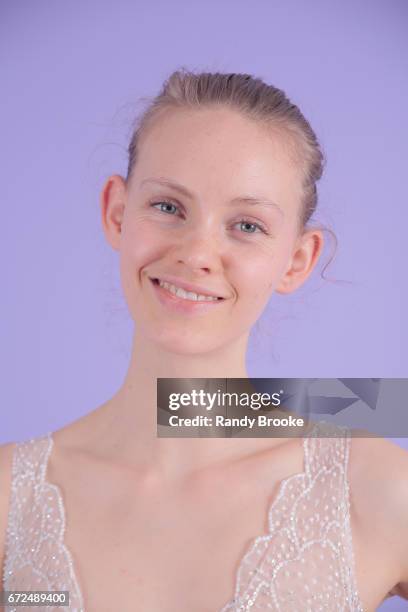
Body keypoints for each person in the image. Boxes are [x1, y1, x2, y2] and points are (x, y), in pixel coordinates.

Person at [1, 68, 407, 612]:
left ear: (296, 260)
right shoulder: (11, 499)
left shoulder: (376, 488)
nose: (195, 254)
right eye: (168, 207)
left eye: (247, 225)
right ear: (117, 213)